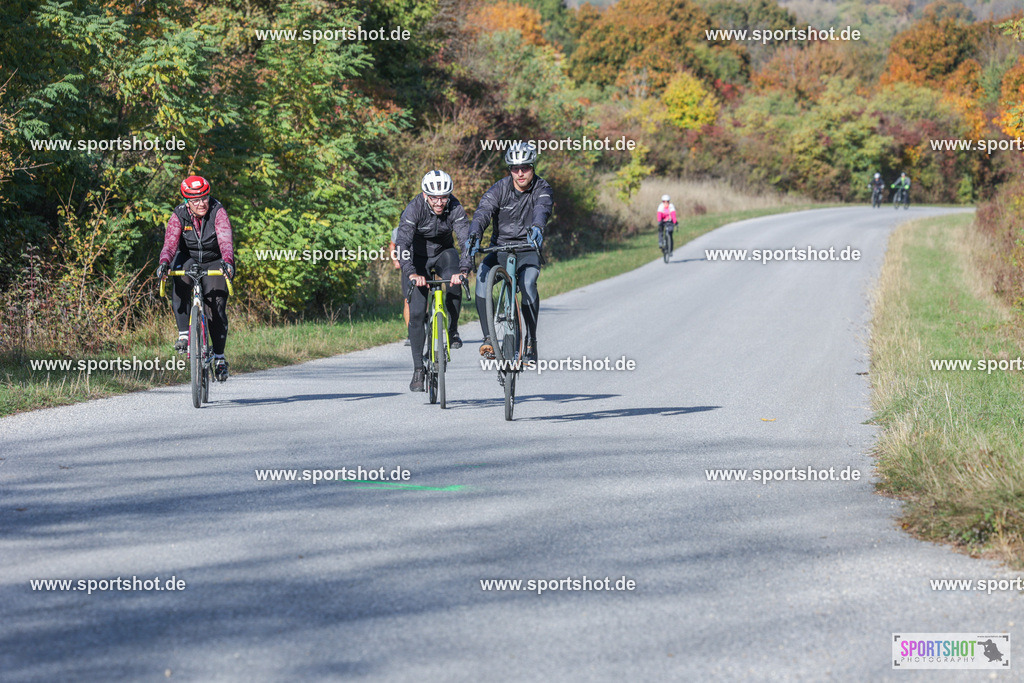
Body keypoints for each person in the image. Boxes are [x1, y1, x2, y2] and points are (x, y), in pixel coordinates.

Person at [469, 142, 553, 363]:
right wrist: (475, 234)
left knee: (528, 284)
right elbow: (483, 212)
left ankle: (531, 341)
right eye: (515, 168)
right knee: (481, 279)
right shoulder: (500, 188)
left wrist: (537, 227)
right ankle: (488, 337)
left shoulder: (542, 188)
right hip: (500, 248)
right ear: (510, 170)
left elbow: (542, 209)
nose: (520, 173)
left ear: (532, 167)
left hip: (527, 248)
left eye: (525, 167)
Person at [395, 170, 473, 392]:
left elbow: (466, 240)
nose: (439, 203)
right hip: (417, 259)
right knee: (417, 313)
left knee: (455, 282)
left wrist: (464, 269)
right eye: (434, 198)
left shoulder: (455, 207)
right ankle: (418, 369)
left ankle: (453, 329)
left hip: (443, 253)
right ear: (425, 195)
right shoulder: (414, 209)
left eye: (444, 197)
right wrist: (411, 273)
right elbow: (402, 244)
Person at [156, 175, 235, 381]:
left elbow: (225, 240)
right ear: (187, 202)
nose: (201, 204)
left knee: (215, 306)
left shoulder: (218, 211)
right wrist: (164, 262)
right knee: (180, 282)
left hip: (215, 259)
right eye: (195, 200)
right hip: (188, 257)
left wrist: (227, 262)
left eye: (204, 198)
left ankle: (219, 358)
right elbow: (170, 243)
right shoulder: (179, 215)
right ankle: (184, 334)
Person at [390, 227, 411, 345]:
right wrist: (395, 260)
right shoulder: (398, 230)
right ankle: (411, 333)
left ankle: (425, 319)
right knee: (407, 300)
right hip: (407, 267)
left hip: (422, 266)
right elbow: (392, 245)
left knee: (422, 298)